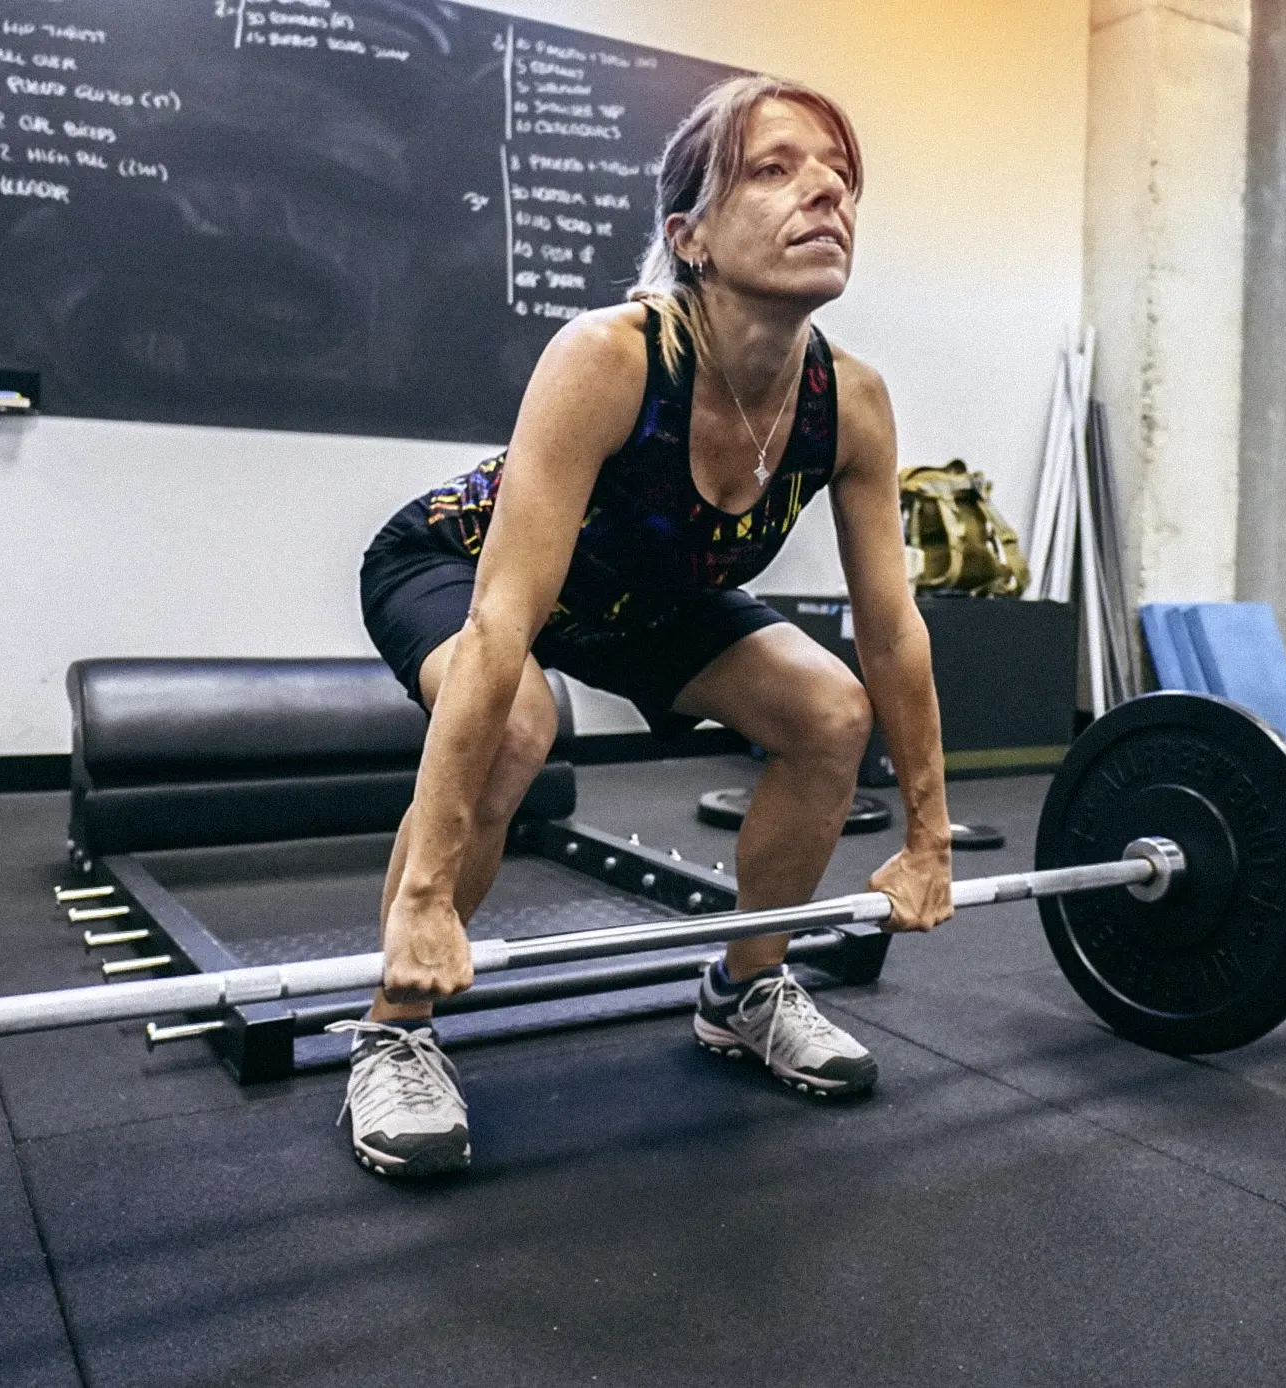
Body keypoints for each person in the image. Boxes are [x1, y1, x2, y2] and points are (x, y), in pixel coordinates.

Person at [341, 74, 954, 1177]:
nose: (826, 191)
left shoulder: (850, 402)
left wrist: (928, 838)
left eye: (840, 173)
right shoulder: (612, 358)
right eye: (775, 169)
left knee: (830, 712)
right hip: (463, 564)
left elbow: (892, 630)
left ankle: (745, 987)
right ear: (691, 236)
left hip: (648, 594)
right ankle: (393, 1028)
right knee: (519, 723)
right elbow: (502, 622)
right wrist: (425, 896)